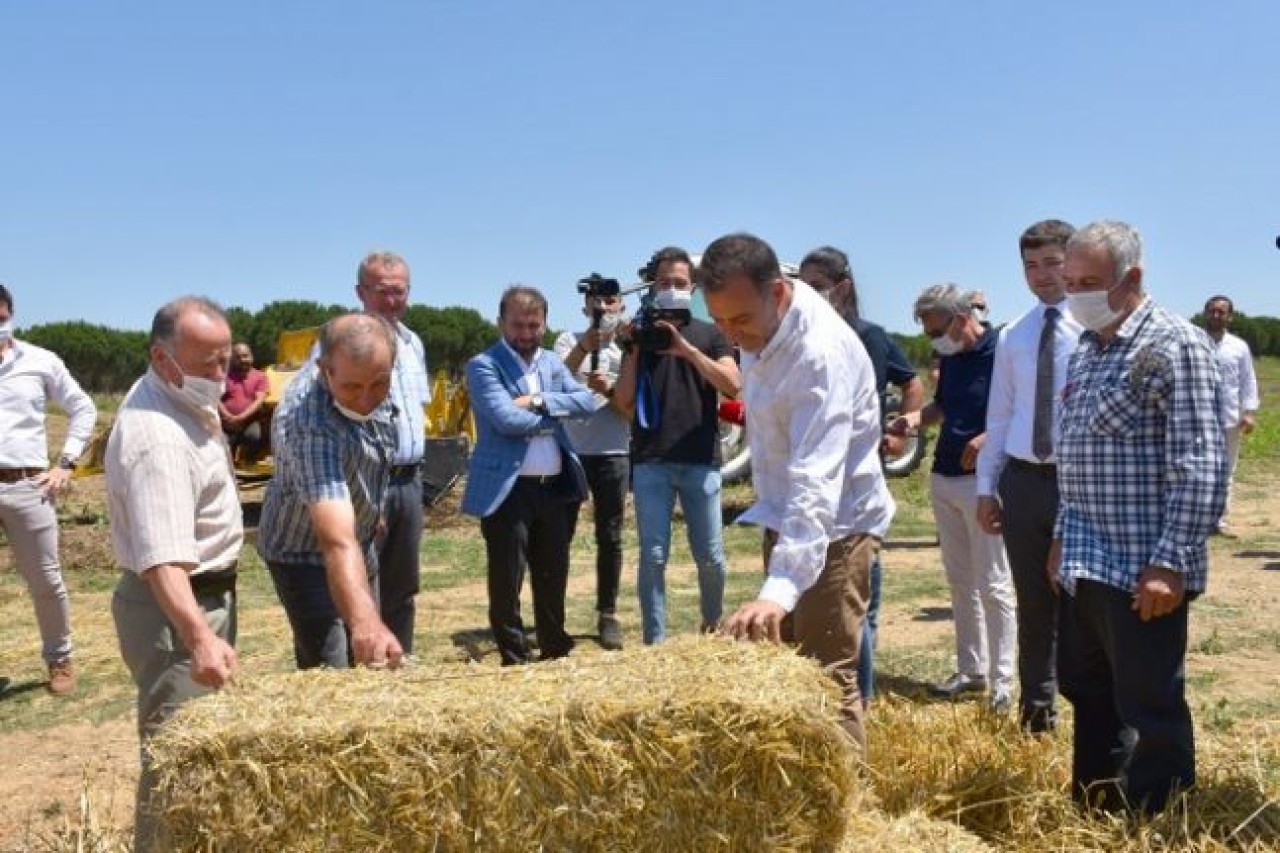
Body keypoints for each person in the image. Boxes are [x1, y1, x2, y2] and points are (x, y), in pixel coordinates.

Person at [1054, 220, 1226, 813]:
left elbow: (1200, 463)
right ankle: (1096, 808)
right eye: (1070, 281)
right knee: (1086, 689)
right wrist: (1059, 535)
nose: (1077, 293)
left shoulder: (1174, 345)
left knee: (1149, 702)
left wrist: (1169, 563)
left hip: (1141, 566)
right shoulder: (1085, 347)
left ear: (1133, 277)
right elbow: (1074, 447)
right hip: (1083, 556)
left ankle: (1161, 817)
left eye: (1091, 282)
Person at [702, 233, 894, 755]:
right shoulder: (759, 331)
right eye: (718, 322)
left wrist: (777, 591)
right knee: (784, 674)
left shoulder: (820, 356)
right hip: (787, 519)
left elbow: (817, 477)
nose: (730, 335)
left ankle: (847, 813)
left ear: (779, 294)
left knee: (827, 679)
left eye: (739, 320)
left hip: (837, 528)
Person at [106, 296, 241, 852]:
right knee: (175, 760)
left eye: (225, 359)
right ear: (164, 360)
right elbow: (162, 558)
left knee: (196, 750)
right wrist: (200, 636)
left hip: (194, 602)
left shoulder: (179, 398)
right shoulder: (157, 438)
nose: (221, 375)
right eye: (209, 363)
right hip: (177, 610)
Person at [797, 246, 924, 709]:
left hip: (858, 476)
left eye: (816, 286)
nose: (806, 295)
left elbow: (912, 382)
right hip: (816, 477)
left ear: (842, 287)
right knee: (842, 600)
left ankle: (861, 697)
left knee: (856, 590)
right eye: (802, 285)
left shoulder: (869, 336)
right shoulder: (801, 337)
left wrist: (902, 431)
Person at [974, 219, 1082, 732]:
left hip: (1079, 484)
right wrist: (986, 487)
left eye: (1052, 263)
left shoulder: (1093, 330)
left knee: (1083, 606)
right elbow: (1000, 415)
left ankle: (1095, 715)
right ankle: (1036, 715)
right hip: (1023, 482)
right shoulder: (1015, 333)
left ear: (1074, 260)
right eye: (1031, 266)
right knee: (1033, 604)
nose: (1041, 276)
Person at [889, 284, 1016, 709]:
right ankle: (971, 669)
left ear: (962, 318)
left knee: (994, 584)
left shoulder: (1005, 351)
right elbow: (942, 408)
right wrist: (912, 420)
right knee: (960, 581)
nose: (933, 340)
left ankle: (1003, 684)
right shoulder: (952, 356)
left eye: (936, 330)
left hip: (986, 483)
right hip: (944, 476)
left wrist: (988, 438)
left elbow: (1024, 412)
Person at [258, 313, 405, 670]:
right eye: (353, 388)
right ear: (325, 369)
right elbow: (335, 539)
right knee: (331, 670)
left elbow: (375, 448)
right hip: (303, 555)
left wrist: (374, 509)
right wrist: (365, 622)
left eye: (379, 384)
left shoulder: (366, 375)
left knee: (372, 661)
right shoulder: (308, 421)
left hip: (361, 543)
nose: (366, 399)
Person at [613, 246, 742, 644]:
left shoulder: (710, 333)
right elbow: (623, 403)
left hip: (701, 459)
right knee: (653, 556)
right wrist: (634, 350)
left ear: (694, 287)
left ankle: (712, 626)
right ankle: (655, 641)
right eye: (665, 283)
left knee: (711, 556)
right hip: (652, 459)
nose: (672, 289)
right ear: (653, 286)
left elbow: (732, 384)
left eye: (680, 283)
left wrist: (685, 351)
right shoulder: (640, 335)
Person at [462, 285, 596, 665]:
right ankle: (514, 655)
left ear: (545, 324)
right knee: (508, 578)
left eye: (534, 325)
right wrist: (557, 417)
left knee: (554, 572)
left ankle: (554, 647)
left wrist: (538, 402)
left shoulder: (552, 362)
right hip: (508, 491)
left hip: (555, 487)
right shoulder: (484, 365)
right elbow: (505, 420)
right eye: (518, 325)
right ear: (501, 322)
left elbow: (586, 402)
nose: (526, 334)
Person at [0, 282, 98, 695]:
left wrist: (66, 465)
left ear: (10, 314)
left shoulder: (40, 361)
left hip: (27, 486)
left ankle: (60, 661)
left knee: (45, 579)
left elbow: (83, 407)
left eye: (0, 316)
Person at [353, 251, 432, 654]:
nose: (392, 300)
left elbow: (417, 411)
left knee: (403, 585)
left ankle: (400, 662)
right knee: (363, 585)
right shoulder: (346, 343)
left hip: (409, 480)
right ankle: (364, 673)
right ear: (360, 292)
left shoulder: (412, 343)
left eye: (399, 291)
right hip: (370, 481)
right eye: (381, 291)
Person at [553, 287, 631, 650]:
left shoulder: (630, 348)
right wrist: (584, 346)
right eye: (596, 302)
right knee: (559, 534)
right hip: (572, 451)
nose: (603, 308)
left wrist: (612, 389)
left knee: (610, 535)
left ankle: (608, 613)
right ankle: (554, 614)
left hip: (614, 451)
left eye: (610, 302)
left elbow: (634, 404)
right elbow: (554, 382)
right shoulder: (568, 340)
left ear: (622, 306)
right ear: (585, 306)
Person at [1202, 295, 1259, 537]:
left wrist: (1249, 412)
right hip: (1197, 418)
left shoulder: (1239, 346)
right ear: (1206, 313)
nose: (1216, 315)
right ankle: (1198, 521)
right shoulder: (1192, 341)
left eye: (1221, 312)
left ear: (1229, 316)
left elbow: (1248, 381)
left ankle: (1219, 521)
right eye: (1212, 311)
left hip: (1229, 419)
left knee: (1226, 471)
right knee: (1197, 470)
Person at [219, 341, 270, 462]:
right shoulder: (224, 376)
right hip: (225, 423)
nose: (242, 360)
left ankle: (248, 463)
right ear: (232, 359)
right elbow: (215, 398)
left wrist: (241, 418)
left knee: (254, 437)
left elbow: (259, 400)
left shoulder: (260, 376)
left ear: (251, 356)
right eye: (238, 357)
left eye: (245, 356)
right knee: (222, 446)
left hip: (249, 422)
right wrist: (227, 416)